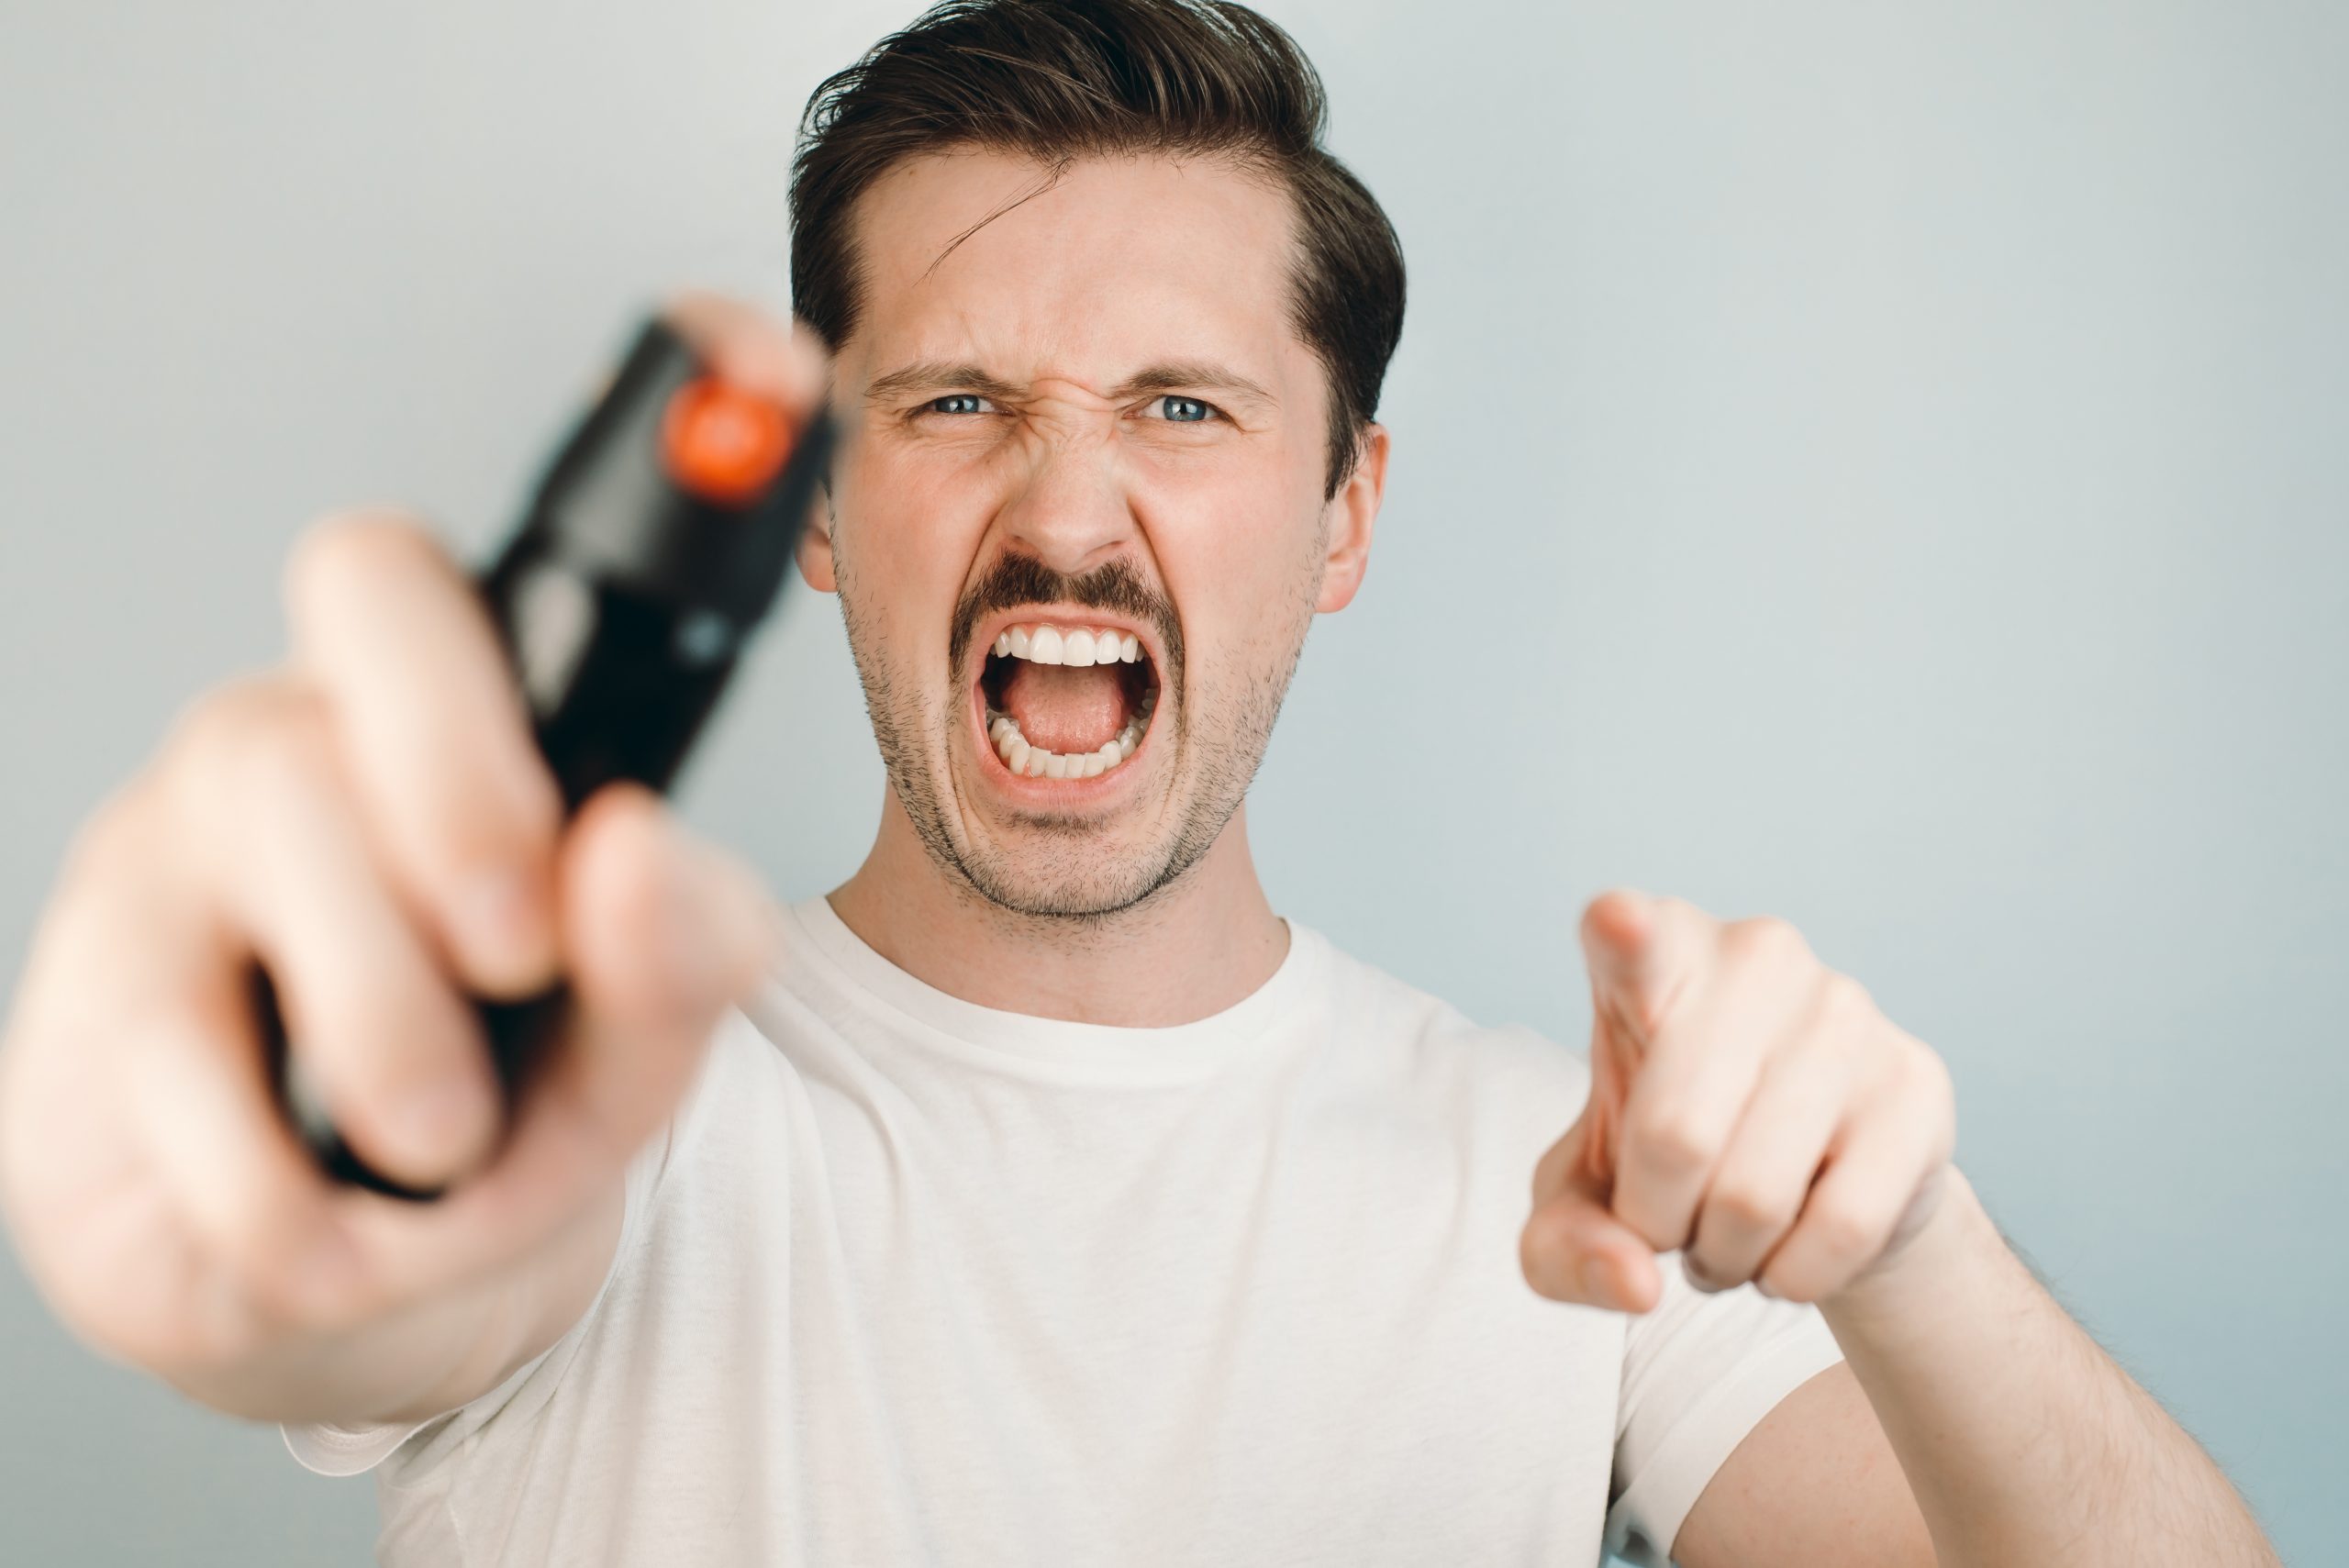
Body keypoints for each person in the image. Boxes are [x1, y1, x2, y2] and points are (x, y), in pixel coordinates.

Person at [0, 2, 2283, 1564]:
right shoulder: (590, 1103)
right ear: (812, 505)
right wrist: (261, 1186)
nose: (1069, 514)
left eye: (1182, 408)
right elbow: (362, 1274)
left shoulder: (1575, 1187)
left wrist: (1908, 1253)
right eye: (953, 401)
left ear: (1343, 514)